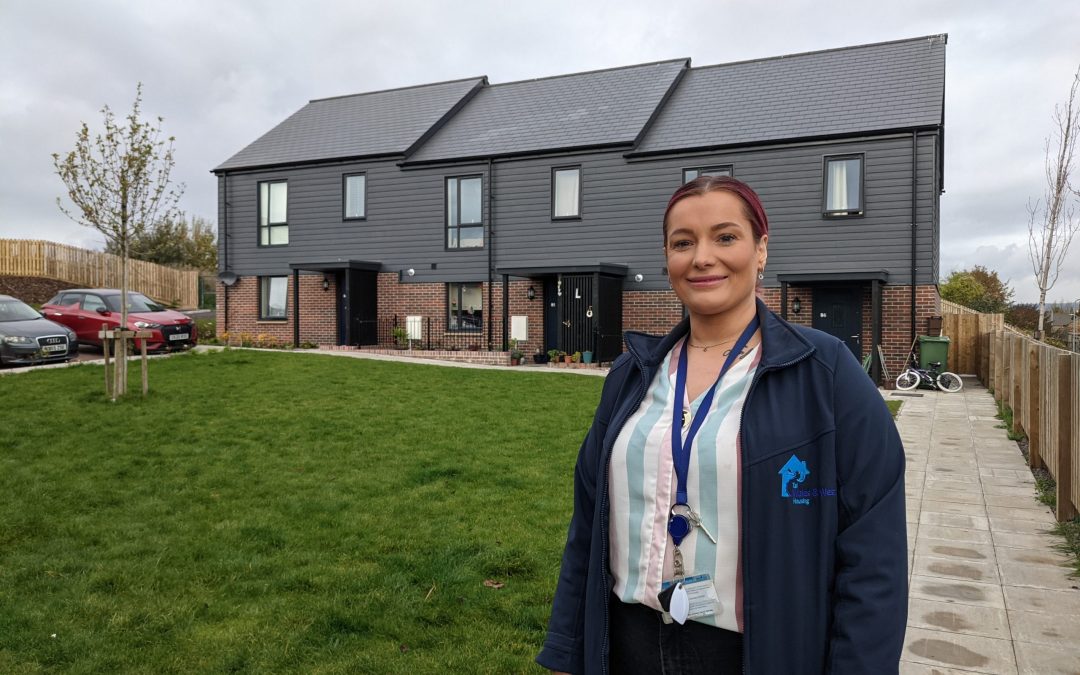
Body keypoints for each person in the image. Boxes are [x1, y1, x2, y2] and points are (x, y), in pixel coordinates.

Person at [536, 176, 907, 674]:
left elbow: (873, 557)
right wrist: (566, 650)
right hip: (627, 646)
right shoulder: (632, 374)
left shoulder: (827, 372)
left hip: (755, 653)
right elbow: (587, 527)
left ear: (761, 251)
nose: (702, 257)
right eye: (682, 242)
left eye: (726, 237)